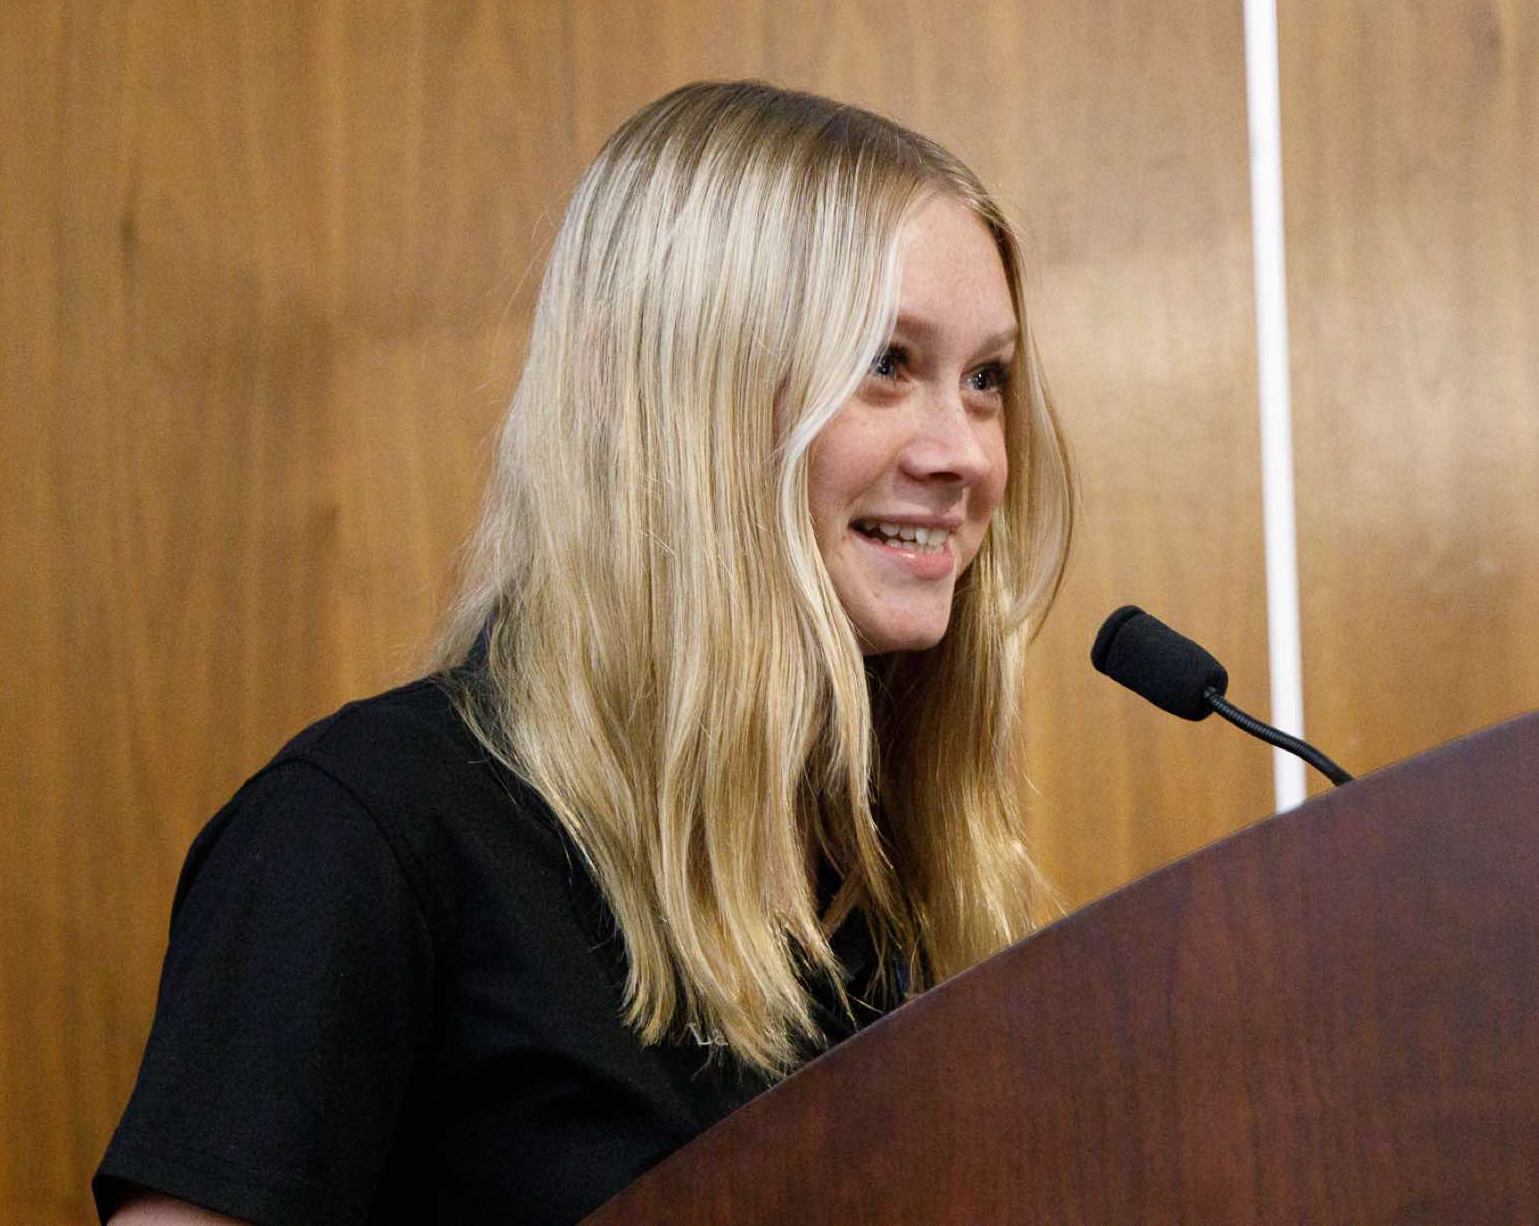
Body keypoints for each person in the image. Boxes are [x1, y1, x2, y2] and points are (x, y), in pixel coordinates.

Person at [94, 80, 1074, 1225]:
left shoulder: (879, 884)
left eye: (986, 379)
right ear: (641, 384)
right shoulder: (361, 832)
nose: (965, 455)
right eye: (883, 361)